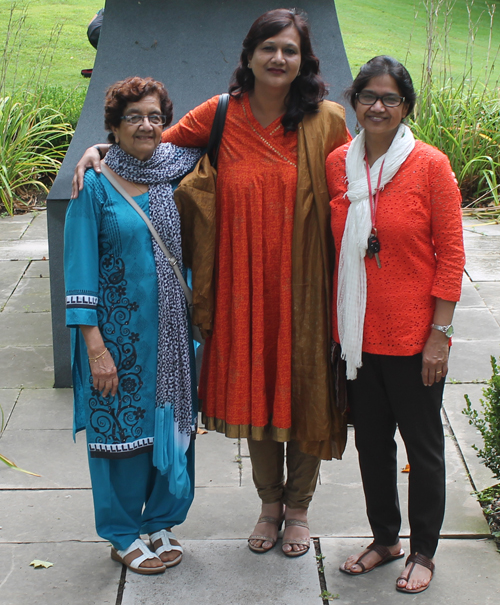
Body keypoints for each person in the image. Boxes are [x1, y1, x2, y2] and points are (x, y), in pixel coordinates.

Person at [72, 8, 349, 558]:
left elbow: (354, 185)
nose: (278, 58)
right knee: (258, 392)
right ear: (247, 56)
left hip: (309, 291)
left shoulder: (328, 121)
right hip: (244, 287)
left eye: (289, 50)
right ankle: (269, 508)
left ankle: (298, 510)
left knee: (306, 393)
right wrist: (100, 151)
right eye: (268, 48)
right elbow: (150, 148)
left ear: (303, 61)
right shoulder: (222, 115)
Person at [326, 56, 465, 593]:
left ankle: (424, 551)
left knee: (422, 447)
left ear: (405, 106)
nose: (377, 107)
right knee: (372, 445)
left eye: (390, 98)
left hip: (414, 339)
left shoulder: (430, 165)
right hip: (356, 336)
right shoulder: (339, 162)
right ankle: (385, 540)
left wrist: (440, 334)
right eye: (368, 97)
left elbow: (451, 255)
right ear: (355, 102)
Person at [64, 76, 201, 575]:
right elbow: (77, 270)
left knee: (168, 427)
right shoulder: (93, 184)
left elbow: (218, 140)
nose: (146, 125)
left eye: (155, 117)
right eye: (133, 117)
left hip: (169, 336)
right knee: (120, 438)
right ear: (114, 128)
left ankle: (161, 521)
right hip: (115, 339)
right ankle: (123, 532)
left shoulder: (175, 172)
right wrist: (94, 346)